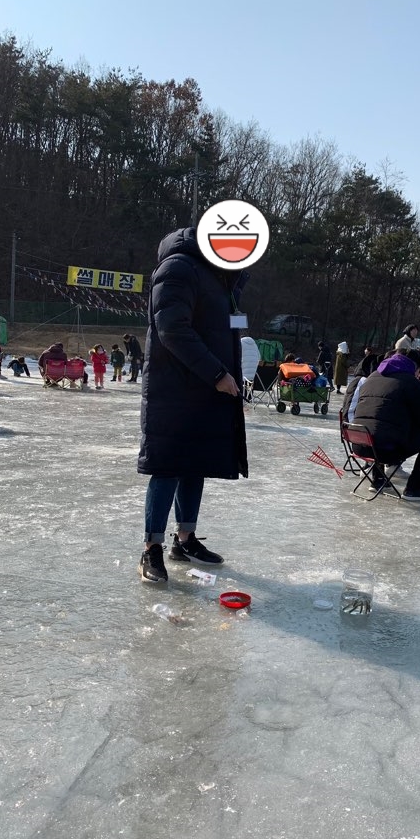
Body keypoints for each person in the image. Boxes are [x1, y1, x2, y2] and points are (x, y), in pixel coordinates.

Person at [137, 226, 249, 584]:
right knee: (167, 466)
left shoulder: (219, 279)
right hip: (174, 390)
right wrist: (217, 373)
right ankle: (151, 547)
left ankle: (184, 539)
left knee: (195, 464)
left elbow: (226, 328)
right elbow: (172, 328)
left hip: (205, 390)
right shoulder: (178, 267)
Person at [352, 350, 420, 502]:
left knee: (378, 428)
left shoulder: (372, 377)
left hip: (359, 445)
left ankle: (378, 479)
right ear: (416, 368)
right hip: (386, 451)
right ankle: (414, 488)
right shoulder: (413, 383)